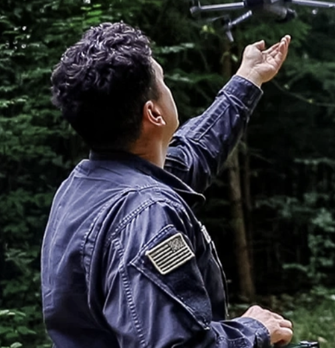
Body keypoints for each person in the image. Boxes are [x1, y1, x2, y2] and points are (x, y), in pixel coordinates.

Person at [40, 22, 294, 348]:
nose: (167, 87)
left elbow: (194, 152)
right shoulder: (147, 214)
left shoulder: (84, 187)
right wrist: (253, 330)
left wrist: (248, 79)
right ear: (154, 114)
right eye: (162, 80)